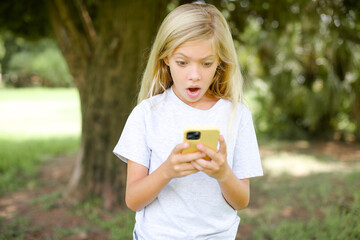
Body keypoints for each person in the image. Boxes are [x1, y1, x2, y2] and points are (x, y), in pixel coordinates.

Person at [113, 2, 263, 239]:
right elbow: (133, 200)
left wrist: (223, 173)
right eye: (182, 62)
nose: (194, 75)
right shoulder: (146, 114)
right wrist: (167, 171)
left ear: (220, 63)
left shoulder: (237, 115)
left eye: (206, 63)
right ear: (166, 58)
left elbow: (241, 201)